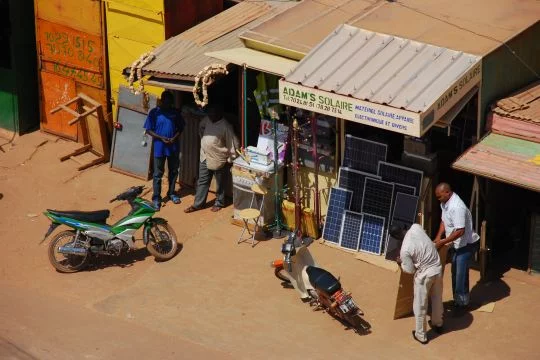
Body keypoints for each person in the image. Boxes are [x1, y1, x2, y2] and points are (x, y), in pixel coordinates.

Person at [391, 223, 444, 345]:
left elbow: (410, 270)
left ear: (396, 237)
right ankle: (438, 324)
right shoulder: (416, 227)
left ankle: (421, 335)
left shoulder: (405, 249)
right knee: (437, 298)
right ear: (403, 228)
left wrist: (401, 262)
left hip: (425, 275)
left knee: (420, 305)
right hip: (437, 268)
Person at [184, 103, 239, 213]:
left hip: (218, 159)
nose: (210, 116)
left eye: (212, 114)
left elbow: (233, 144)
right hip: (204, 156)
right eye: (209, 113)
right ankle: (198, 204)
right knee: (203, 180)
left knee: (220, 183)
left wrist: (230, 159)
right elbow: (201, 126)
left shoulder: (226, 126)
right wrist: (203, 139)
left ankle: (219, 202)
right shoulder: (207, 119)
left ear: (219, 113)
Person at [434, 182, 480, 309]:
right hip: (456, 244)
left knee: (460, 274)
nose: (438, 199)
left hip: (466, 245)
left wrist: (443, 242)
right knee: (455, 272)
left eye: (439, 196)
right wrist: (438, 236)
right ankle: (458, 300)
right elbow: (444, 221)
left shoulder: (457, 207)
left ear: (447, 193)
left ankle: (462, 303)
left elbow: (460, 231)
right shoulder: (444, 203)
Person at [144, 90, 185, 210]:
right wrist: (161, 138)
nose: (168, 104)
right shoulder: (154, 113)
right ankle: (156, 198)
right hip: (159, 148)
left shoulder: (175, 113)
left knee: (173, 171)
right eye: (166, 102)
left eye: (170, 102)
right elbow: (148, 130)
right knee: (158, 174)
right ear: (162, 101)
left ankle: (171, 193)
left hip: (173, 147)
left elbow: (181, 128)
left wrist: (174, 137)